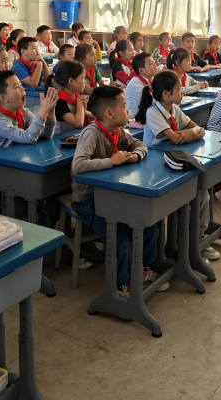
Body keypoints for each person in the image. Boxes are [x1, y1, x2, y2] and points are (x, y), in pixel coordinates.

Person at [70, 86, 167, 297]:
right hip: (89, 200)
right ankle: (119, 286)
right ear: (109, 113)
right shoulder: (92, 133)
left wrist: (136, 156)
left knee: (148, 224)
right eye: (124, 106)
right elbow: (77, 166)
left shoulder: (117, 131)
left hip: (114, 194)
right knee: (119, 238)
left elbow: (140, 144)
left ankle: (143, 271)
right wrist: (111, 161)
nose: (128, 109)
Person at [136, 71, 217, 260]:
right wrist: (190, 134)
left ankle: (195, 240)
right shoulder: (153, 112)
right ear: (166, 94)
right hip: (155, 167)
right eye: (179, 89)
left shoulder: (174, 109)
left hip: (174, 160)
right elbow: (175, 138)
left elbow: (199, 130)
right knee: (185, 196)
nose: (182, 92)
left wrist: (188, 134)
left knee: (202, 193)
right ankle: (180, 245)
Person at [0, 71, 58, 205]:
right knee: (19, 197)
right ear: (3, 98)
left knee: (44, 186)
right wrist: (43, 111)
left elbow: (44, 135)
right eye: (16, 87)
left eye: (20, 84)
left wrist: (50, 112)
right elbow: (29, 137)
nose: (22, 88)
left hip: (16, 164)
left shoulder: (23, 112)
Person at [50, 60, 91, 133]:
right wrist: (80, 103)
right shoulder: (59, 101)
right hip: (62, 138)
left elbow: (91, 114)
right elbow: (78, 123)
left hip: (76, 136)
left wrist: (85, 111)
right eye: (83, 78)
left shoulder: (76, 96)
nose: (85, 82)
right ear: (71, 81)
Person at [126, 52, 156, 122]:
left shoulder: (150, 80)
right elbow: (152, 101)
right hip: (134, 120)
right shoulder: (135, 83)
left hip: (147, 116)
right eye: (151, 64)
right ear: (141, 70)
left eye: (154, 63)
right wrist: (159, 78)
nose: (155, 66)